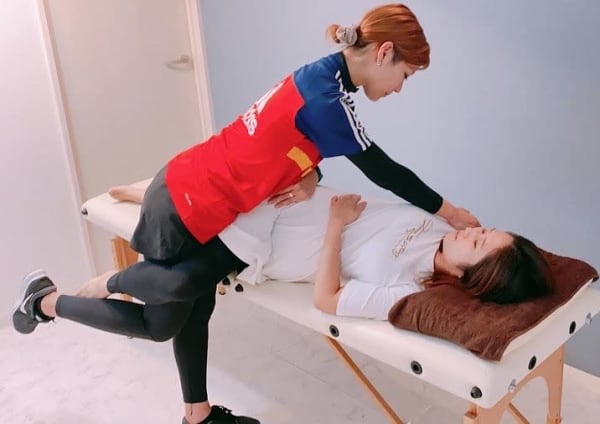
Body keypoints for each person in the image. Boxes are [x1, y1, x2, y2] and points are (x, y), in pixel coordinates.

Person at [13, 4, 483, 424]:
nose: (400, 88)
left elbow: (285, 141)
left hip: (203, 195)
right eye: (406, 75)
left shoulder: (322, 79)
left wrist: (312, 176)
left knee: (192, 312)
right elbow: (386, 171)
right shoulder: (328, 100)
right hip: (186, 201)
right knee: (163, 320)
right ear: (384, 53)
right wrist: (451, 211)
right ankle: (61, 297)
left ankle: (197, 416)